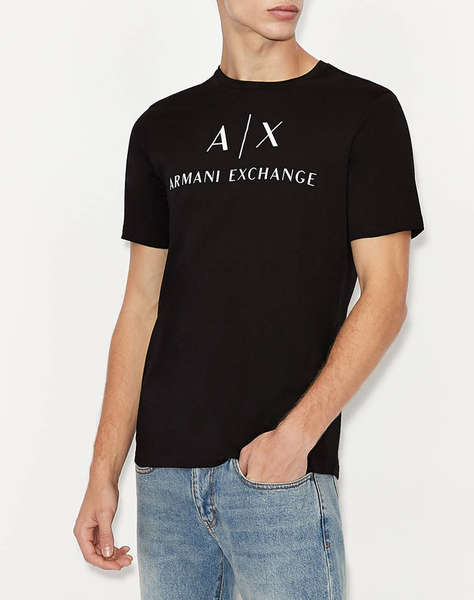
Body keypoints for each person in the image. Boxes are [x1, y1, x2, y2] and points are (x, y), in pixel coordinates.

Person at [74, 1, 424, 598]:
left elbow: (386, 297)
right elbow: (140, 308)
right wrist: (103, 472)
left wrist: (293, 441)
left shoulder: (363, 112)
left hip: (280, 477)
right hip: (166, 482)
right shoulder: (162, 127)